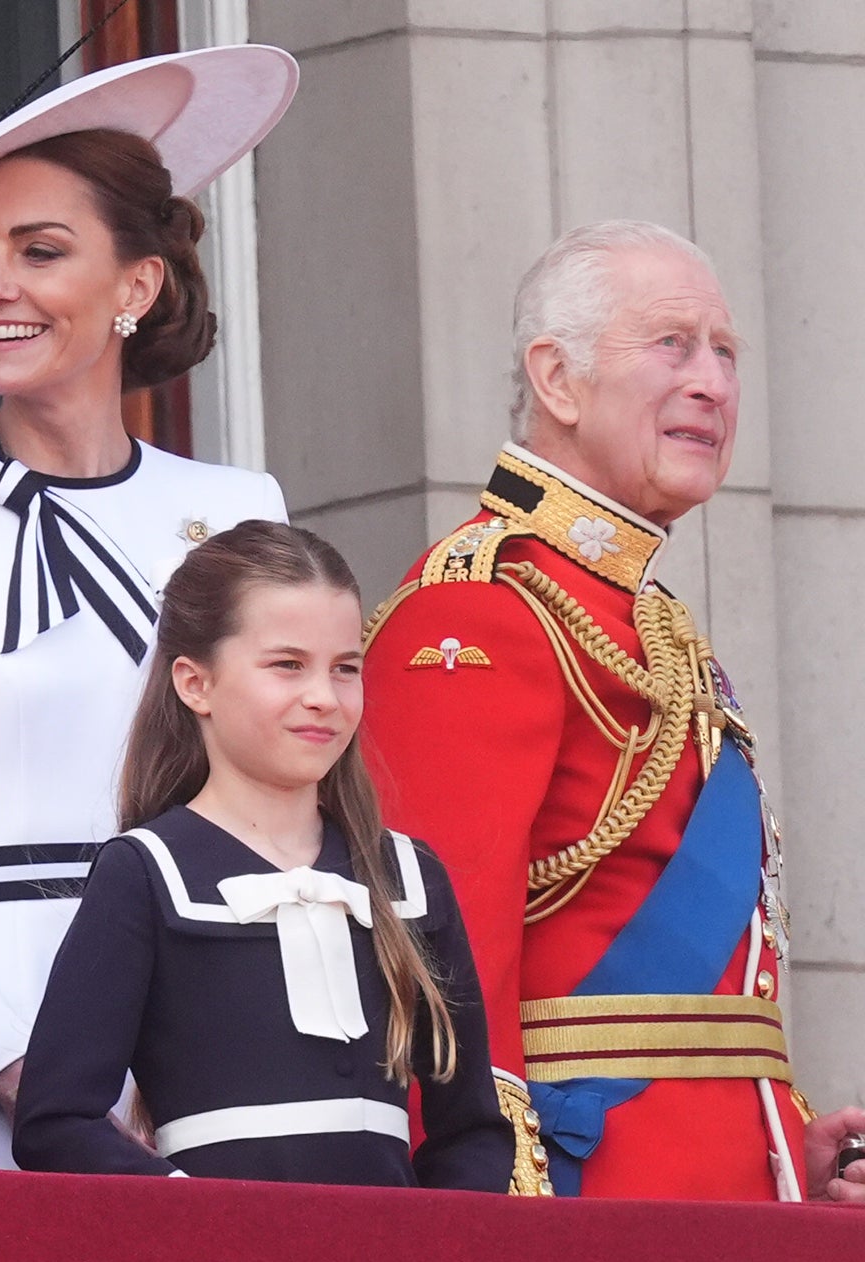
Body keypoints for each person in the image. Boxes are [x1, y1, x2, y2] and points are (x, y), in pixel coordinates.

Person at [0, 48, 297, 1162]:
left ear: (136, 285)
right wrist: (21, 1064)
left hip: (202, 1031)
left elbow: (268, 805)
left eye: (40, 251)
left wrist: (204, 1049)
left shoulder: (234, 509)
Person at [363, 220, 865, 1202]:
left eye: (724, 352)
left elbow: (695, 999)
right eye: (671, 343)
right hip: (584, 1208)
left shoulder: (649, 620)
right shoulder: (476, 608)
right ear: (556, 378)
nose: (712, 382)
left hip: (720, 1206)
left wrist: (783, 1146)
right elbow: (436, 959)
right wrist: (486, 1210)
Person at [11, 522, 510, 1187]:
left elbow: (471, 1128)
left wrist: (437, 1255)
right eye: (287, 665)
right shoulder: (146, 874)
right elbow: (56, 1121)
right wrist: (187, 1217)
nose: (324, 698)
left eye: (346, 669)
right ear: (196, 684)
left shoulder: (409, 878)